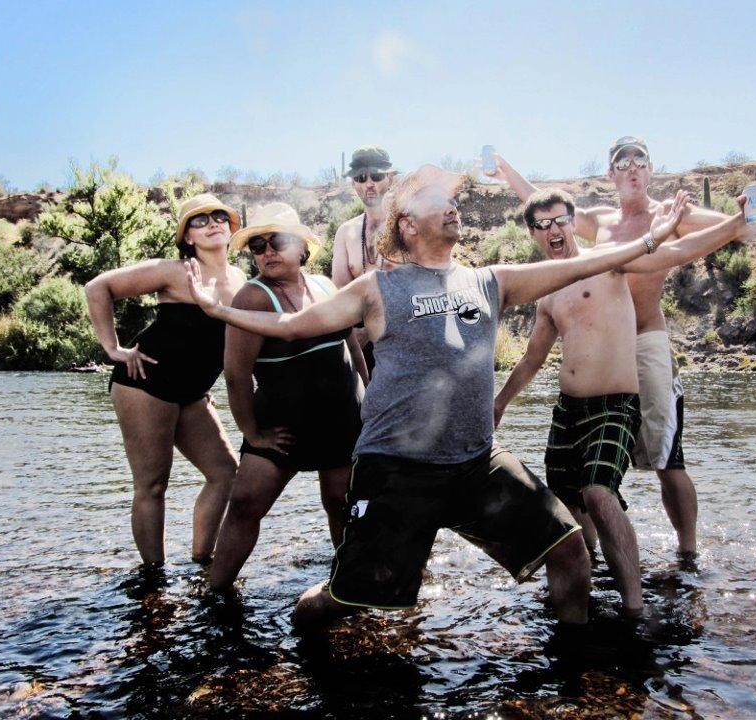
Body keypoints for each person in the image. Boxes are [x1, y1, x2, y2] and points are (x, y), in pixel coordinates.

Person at [185, 165, 697, 632]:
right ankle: (305, 621)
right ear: (407, 224)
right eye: (437, 202)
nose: (453, 208)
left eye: (453, 202)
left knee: (568, 552)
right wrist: (219, 310)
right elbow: (292, 324)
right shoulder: (378, 289)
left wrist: (649, 238)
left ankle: (573, 671)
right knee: (352, 597)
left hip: (477, 464)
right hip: (397, 471)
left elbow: (588, 265)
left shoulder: (489, 280)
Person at [493, 187, 756, 613]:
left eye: (560, 220)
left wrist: (752, 220)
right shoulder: (549, 288)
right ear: (534, 235)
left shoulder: (611, 260)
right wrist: (500, 402)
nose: (553, 229)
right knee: (571, 504)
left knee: (598, 493)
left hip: (613, 402)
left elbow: (681, 250)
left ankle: (634, 607)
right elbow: (534, 356)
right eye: (543, 225)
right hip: (567, 410)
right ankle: (590, 585)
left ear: (574, 222)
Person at [209, 203, 364, 590]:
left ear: (301, 248)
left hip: (341, 421)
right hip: (282, 426)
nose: (267, 251)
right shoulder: (252, 298)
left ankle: (346, 586)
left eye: (276, 241)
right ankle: (216, 593)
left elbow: (353, 346)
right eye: (257, 246)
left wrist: (370, 392)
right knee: (245, 504)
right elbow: (236, 374)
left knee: (341, 504)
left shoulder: (326, 286)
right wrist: (253, 433)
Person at [85, 193, 246, 565]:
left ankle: (201, 559)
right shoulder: (174, 270)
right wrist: (113, 348)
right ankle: (153, 578)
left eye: (218, 216)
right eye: (199, 220)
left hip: (193, 393)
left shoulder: (240, 279)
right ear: (187, 236)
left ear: (230, 227)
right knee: (153, 484)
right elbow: (98, 287)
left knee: (225, 473)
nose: (211, 223)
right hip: (145, 383)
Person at [332, 145, 399, 378]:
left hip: (402, 337)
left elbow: (414, 289)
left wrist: (369, 331)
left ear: (390, 179)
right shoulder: (345, 232)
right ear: (353, 183)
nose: (369, 183)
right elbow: (341, 293)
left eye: (376, 176)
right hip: (358, 339)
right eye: (361, 177)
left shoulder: (408, 226)